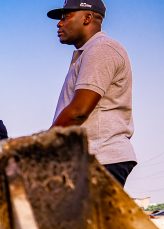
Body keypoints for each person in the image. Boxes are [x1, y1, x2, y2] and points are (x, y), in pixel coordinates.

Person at [47, 0, 136, 186]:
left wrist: (41, 145)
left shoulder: (101, 49)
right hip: (89, 159)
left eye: (66, 16)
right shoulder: (88, 52)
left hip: (100, 158)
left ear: (87, 17)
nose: (59, 23)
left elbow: (79, 110)